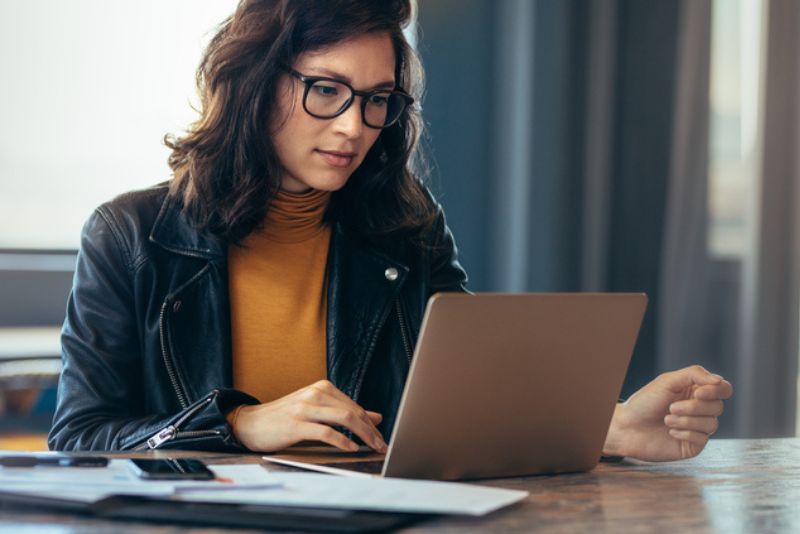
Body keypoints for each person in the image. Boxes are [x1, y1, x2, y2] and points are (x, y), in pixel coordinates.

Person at [48, 0, 732, 462]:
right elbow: (79, 439)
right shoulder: (131, 235)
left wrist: (606, 427)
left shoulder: (406, 225)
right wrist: (236, 425)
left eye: (377, 100)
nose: (354, 126)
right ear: (254, 82)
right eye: (326, 89)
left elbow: (466, 402)